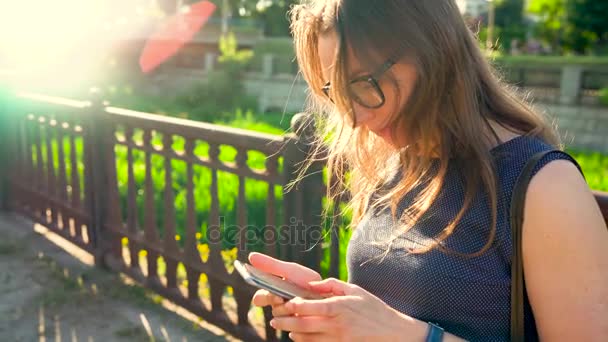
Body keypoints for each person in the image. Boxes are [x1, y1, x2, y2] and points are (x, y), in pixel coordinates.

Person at [250, 0, 608, 341]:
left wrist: (409, 336)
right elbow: (389, 311)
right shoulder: (396, 164)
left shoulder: (544, 186)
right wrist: (333, 310)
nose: (355, 118)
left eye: (363, 83)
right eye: (338, 92)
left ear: (433, 50)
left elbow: (397, 327)